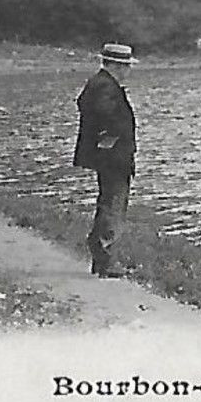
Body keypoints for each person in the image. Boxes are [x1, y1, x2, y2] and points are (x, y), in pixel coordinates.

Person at [73, 42, 138, 278]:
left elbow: (85, 105)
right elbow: (105, 115)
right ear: (117, 65)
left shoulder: (101, 83)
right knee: (114, 204)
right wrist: (109, 137)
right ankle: (104, 256)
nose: (128, 70)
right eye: (126, 65)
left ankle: (102, 257)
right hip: (113, 156)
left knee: (111, 202)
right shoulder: (105, 86)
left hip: (110, 155)